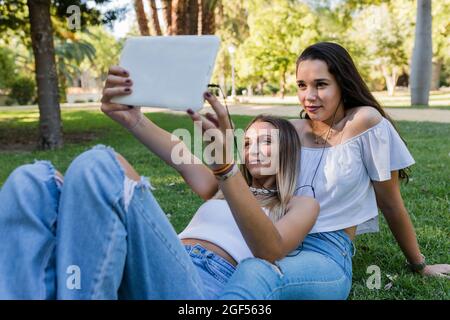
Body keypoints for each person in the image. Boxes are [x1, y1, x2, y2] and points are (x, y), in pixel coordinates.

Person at [0, 67, 319, 299]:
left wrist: (225, 166)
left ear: (288, 149)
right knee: (29, 182)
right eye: (247, 143)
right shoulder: (218, 188)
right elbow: (175, 152)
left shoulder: (300, 204)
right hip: (155, 264)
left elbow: (270, 249)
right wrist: (131, 117)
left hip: (202, 286)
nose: (252, 151)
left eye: (265, 142)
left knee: (99, 165)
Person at [216, 42, 450, 300]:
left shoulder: (365, 123)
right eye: (302, 85)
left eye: (321, 84)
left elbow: (390, 203)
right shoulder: (290, 131)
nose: (309, 96)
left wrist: (419, 264)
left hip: (326, 251)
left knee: (258, 273)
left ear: (342, 83)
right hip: (273, 237)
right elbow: (247, 181)